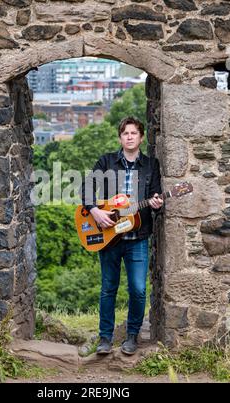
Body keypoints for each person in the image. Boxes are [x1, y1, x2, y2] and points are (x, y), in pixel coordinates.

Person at [80, 116, 163, 355]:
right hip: (109, 237)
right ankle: (105, 338)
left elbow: (156, 196)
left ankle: (132, 336)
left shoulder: (150, 165)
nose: (129, 137)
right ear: (120, 137)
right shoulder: (106, 161)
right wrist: (95, 211)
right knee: (108, 288)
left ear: (141, 137)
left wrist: (157, 204)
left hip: (137, 237)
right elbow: (85, 188)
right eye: (125, 133)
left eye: (134, 133)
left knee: (137, 289)